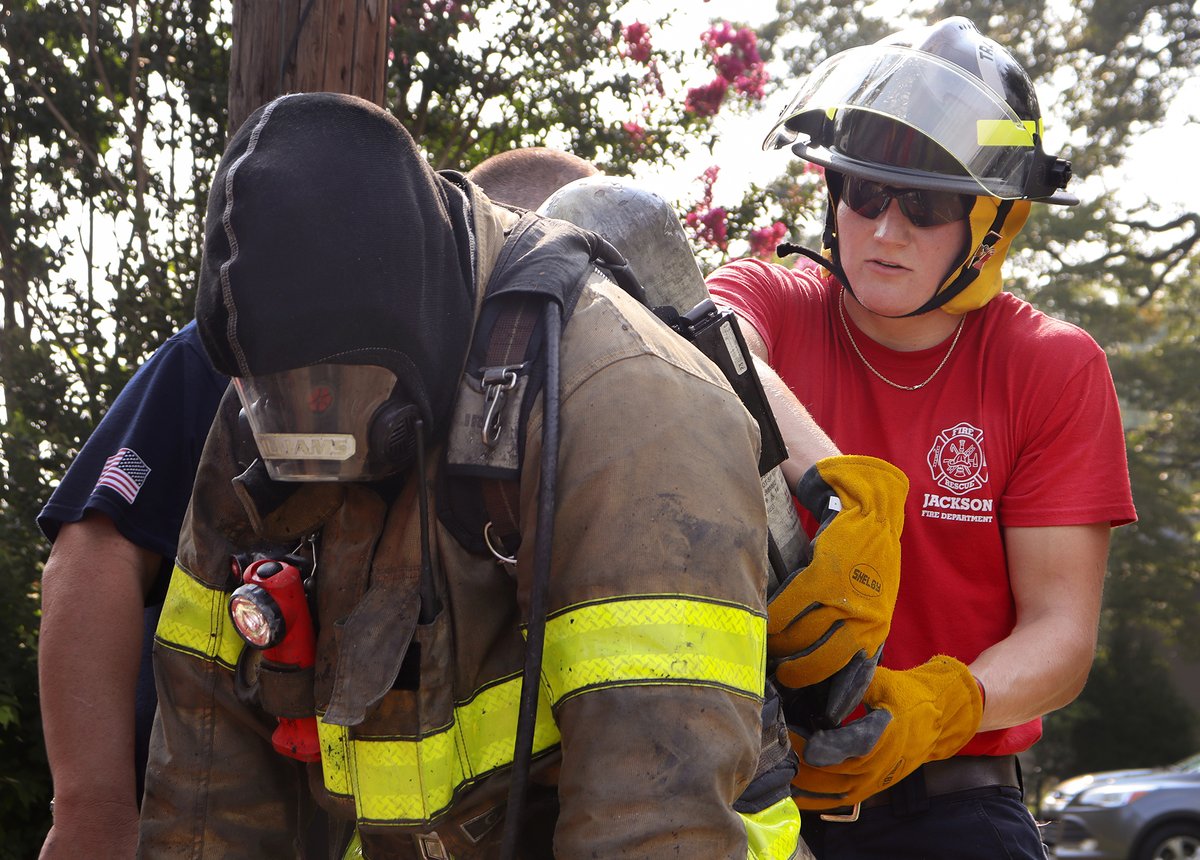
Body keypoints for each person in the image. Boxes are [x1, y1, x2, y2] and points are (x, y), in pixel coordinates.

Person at [137, 91, 809, 858]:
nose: (303, 436)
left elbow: (653, 821)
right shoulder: (266, 395)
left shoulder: (629, 405)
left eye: (335, 394)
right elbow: (204, 763)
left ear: (416, 330)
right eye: (267, 397)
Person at [34, 145, 603, 860]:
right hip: (178, 815)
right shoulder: (258, 352)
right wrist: (96, 813)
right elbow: (93, 549)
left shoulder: (570, 403)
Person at [707, 17, 1137, 859]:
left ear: (995, 222)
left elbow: (1061, 634)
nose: (884, 229)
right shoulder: (774, 303)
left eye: (927, 204)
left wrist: (935, 709)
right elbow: (703, 328)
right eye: (863, 192)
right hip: (754, 799)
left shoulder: (1051, 367)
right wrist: (839, 485)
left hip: (957, 811)